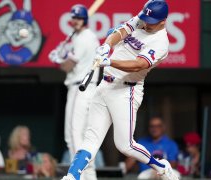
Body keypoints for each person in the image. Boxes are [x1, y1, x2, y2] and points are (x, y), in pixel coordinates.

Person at [61, 0, 179, 180]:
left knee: (125, 145)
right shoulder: (143, 19)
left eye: (151, 20)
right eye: (145, 18)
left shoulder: (161, 42)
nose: (146, 22)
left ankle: (161, 166)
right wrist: (107, 46)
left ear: (163, 22)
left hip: (126, 91)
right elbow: (121, 31)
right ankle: (72, 176)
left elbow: (138, 65)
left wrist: (110, 61)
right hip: (105, 85)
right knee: (90, 138)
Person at [49, 4, 100, 180]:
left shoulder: (84, 38)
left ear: (85, 19)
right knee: (79, 138)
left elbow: (68, 65)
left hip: (81, 87)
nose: (76, 21)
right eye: (74, 18)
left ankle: (76, 175)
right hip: (85, 87)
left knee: (74, 136)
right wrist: (62, 55)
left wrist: (57, 60)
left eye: (79, 18)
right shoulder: (84, 36)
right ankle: (88, 176)